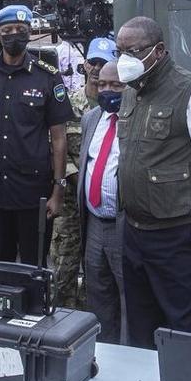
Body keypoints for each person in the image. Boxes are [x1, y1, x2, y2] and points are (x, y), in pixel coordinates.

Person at [115, 16, 191, 349]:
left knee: (181, 328)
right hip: (135, 231)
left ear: (158, 51)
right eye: (119, 51)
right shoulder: (131, 92)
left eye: (132, 51)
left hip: (178, 233)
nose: (124, 59)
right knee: (140, 327)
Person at [0, 4, 73, 265]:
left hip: (34, 191)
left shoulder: (48, 77)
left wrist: (58, 190)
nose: (14, 35)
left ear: (30, 33)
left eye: (21, 30)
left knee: (35, 267)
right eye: (7, 30)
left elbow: (59, 138)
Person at [53, 36, 118, 308]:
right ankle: (63, 316)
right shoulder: (68, 103)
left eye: (103, 63)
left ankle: (94, 316)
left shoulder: (117, 108)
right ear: (85, 64)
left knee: (100, 270)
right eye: (93, 62)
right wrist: (75, 177)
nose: (97, 69)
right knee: (63, 266)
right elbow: (54, 146)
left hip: (102, 206)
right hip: (71, 200)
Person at [77, 60, 126, 343]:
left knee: (129, 298)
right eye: (102, 84)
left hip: (123, 224)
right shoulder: (91, 119)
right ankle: (105, 352)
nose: (108, 90)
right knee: (98, 296)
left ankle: (131, 358)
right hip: (94, 223)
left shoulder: (136, 118)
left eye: (116, 85)